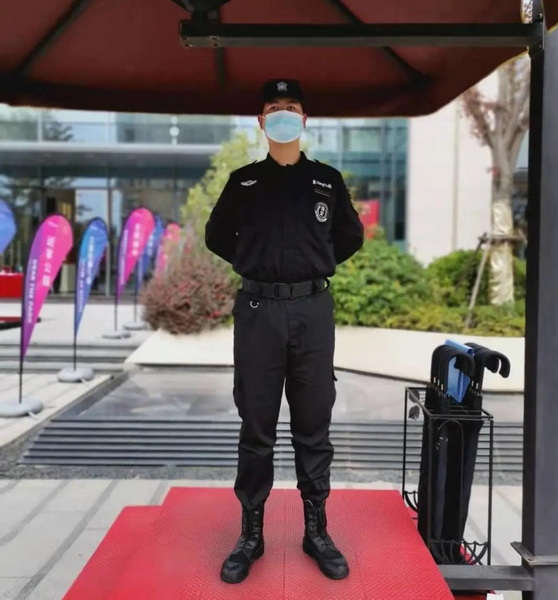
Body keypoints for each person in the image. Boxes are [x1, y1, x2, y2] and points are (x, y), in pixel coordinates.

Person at [205, 79, 364, 584]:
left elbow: (350, 236)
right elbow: (216, 236)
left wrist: (311, 265)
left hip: (312, 310)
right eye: (274, 108)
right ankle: (251, 534)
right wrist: (255, 263)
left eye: (291, 107)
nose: (282, 114)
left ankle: (316, 531)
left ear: (304, 118)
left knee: (314, 423)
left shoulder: (326, 181)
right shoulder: (244, 182)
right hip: (258, 312)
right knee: (256, 426)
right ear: (261, 122)